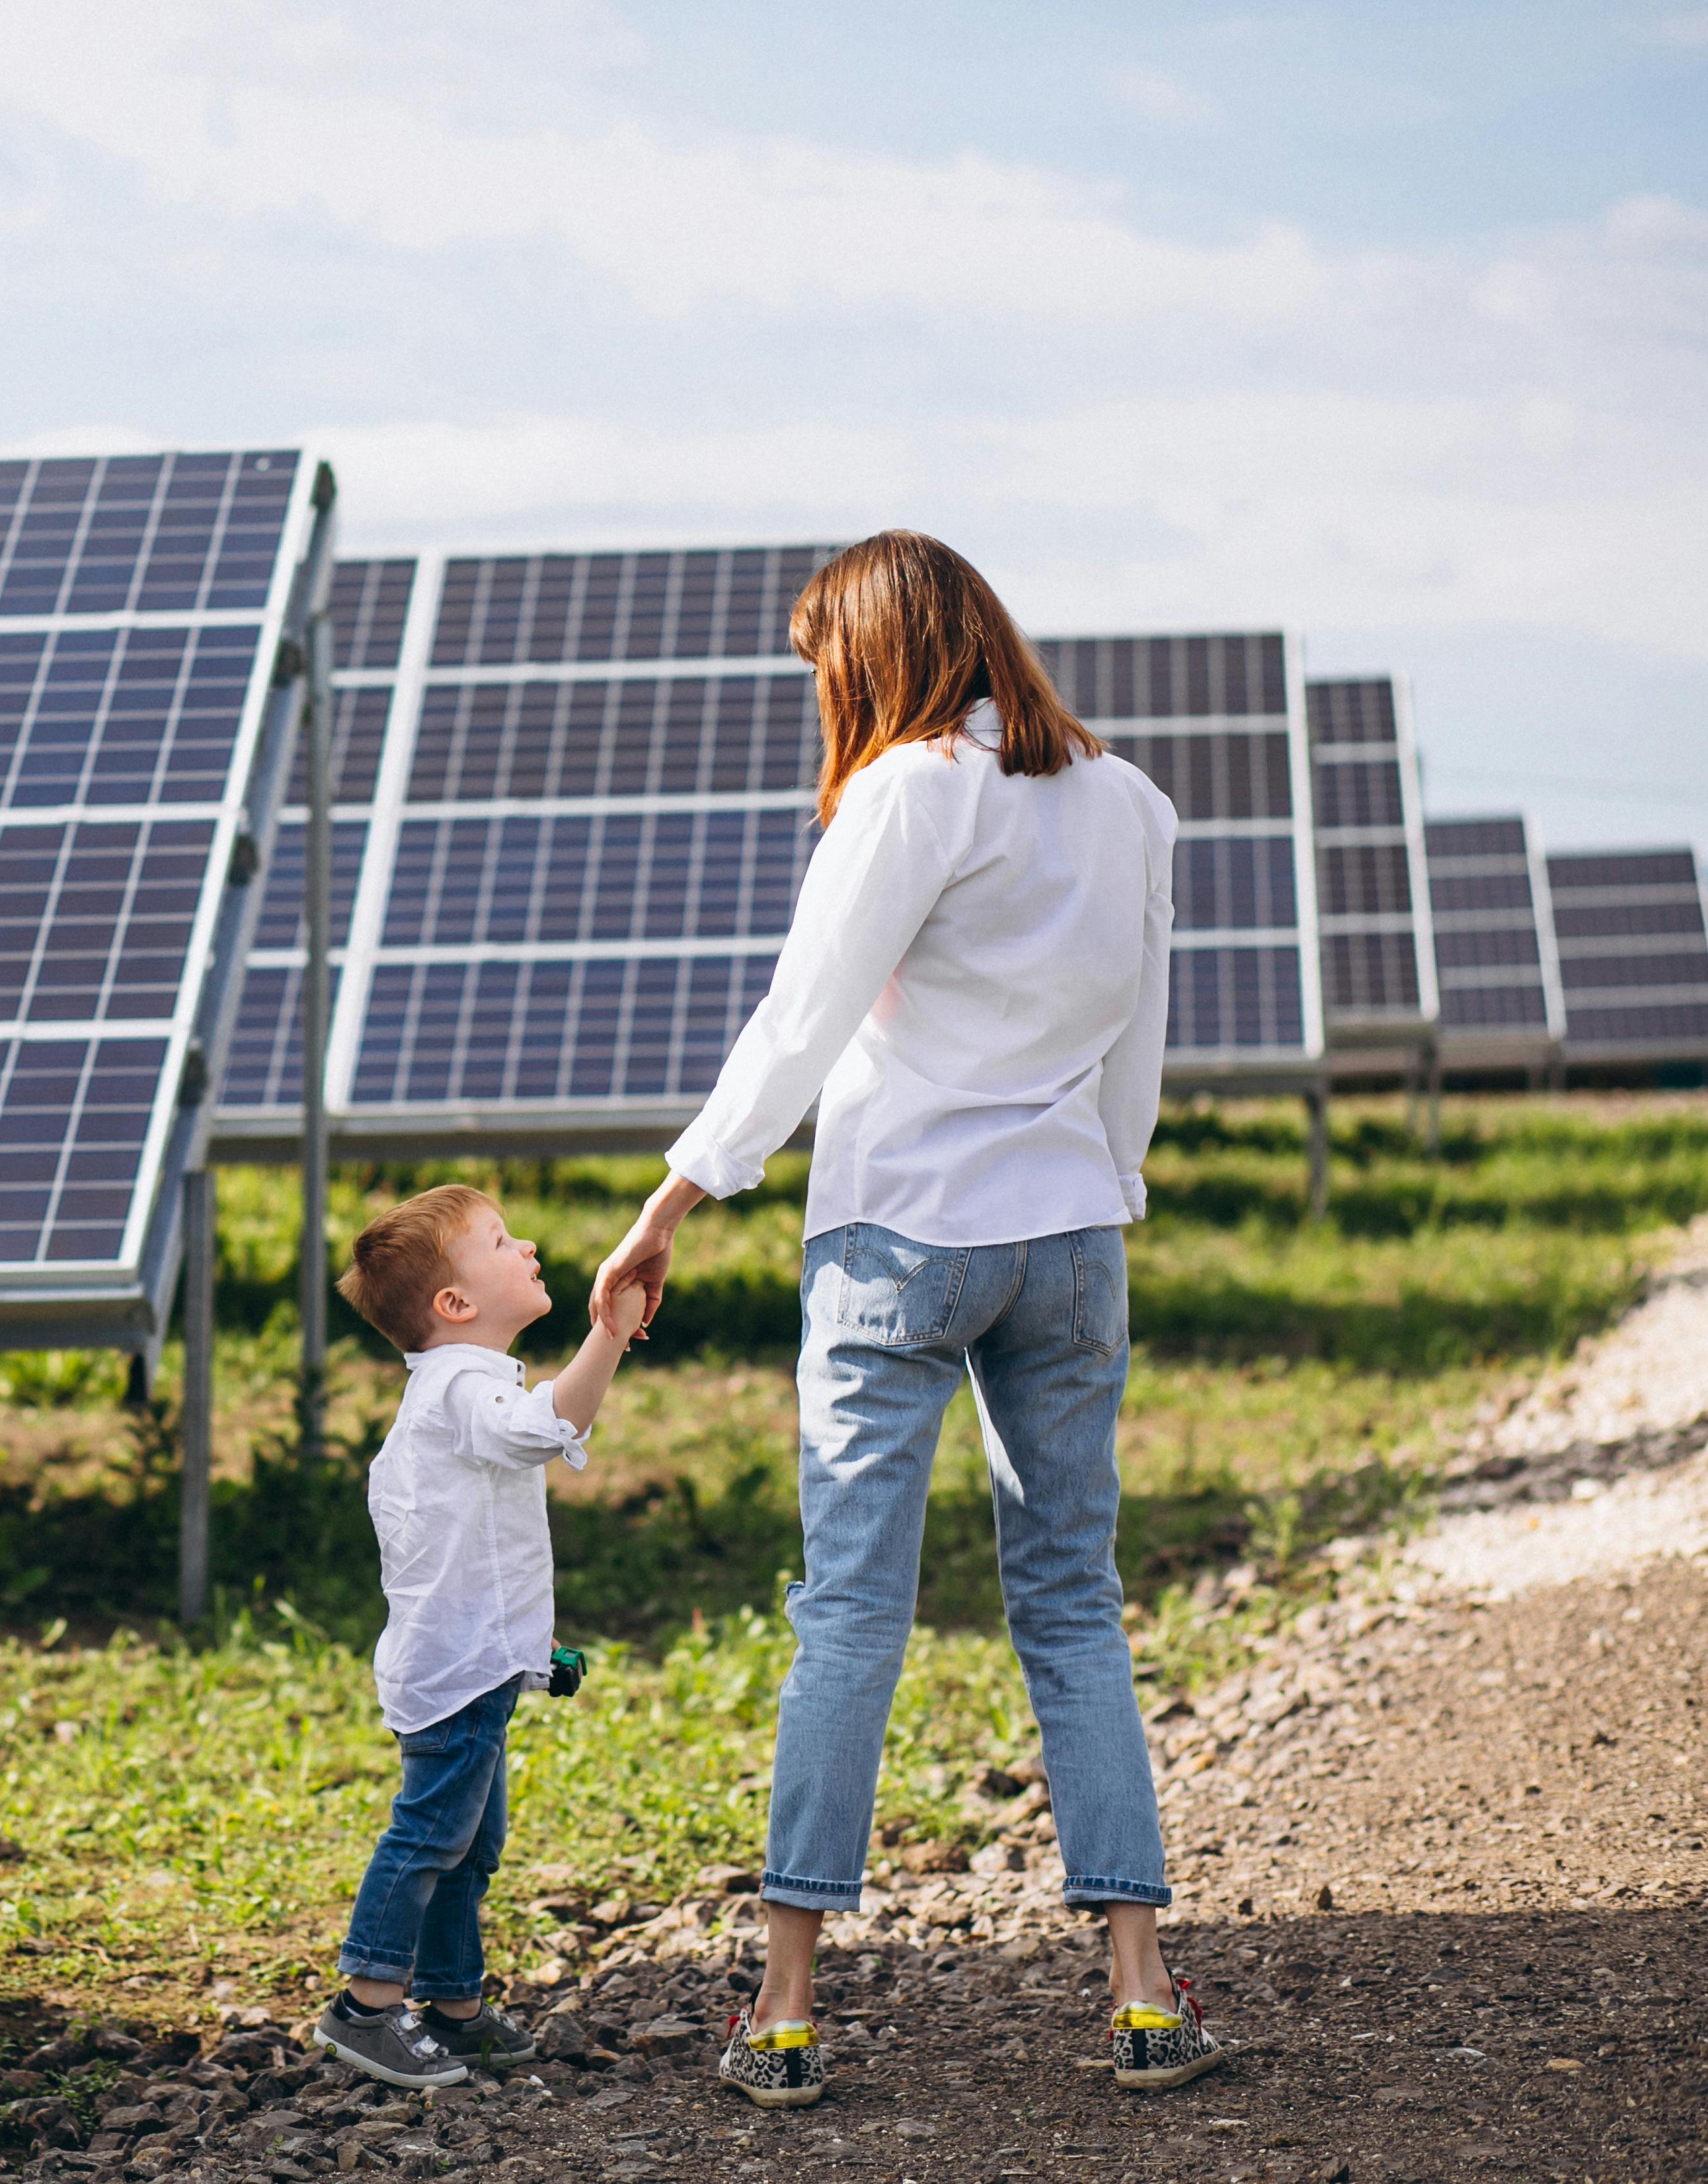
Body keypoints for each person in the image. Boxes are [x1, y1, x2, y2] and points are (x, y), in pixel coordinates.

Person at [588, 530, 1221, 2108]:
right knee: (1074, 1602)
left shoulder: (910, 787)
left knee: (853, 1613)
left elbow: (804, 1014)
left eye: (827, 664)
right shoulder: (1131, 801)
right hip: (1071, 1235)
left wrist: (673, 1202)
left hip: (902, 1236)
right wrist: (1110, 1181)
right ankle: (1145, 1992)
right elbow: (1137, 1034)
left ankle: (787, 2011)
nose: (823, 692)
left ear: (874, 654)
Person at [312, 1184, 647, 2089]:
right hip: (455, 1675)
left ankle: (454, 2005)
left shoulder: (461, 1388)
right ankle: (365, 2005)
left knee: (470, 1844)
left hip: (476, 1669)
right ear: (454, 1306)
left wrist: (536, 1661)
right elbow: (546, 1431)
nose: (528, 1246)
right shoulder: (461, 1388)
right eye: (502, 1242)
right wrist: (608, 1334)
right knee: (430, 1838)